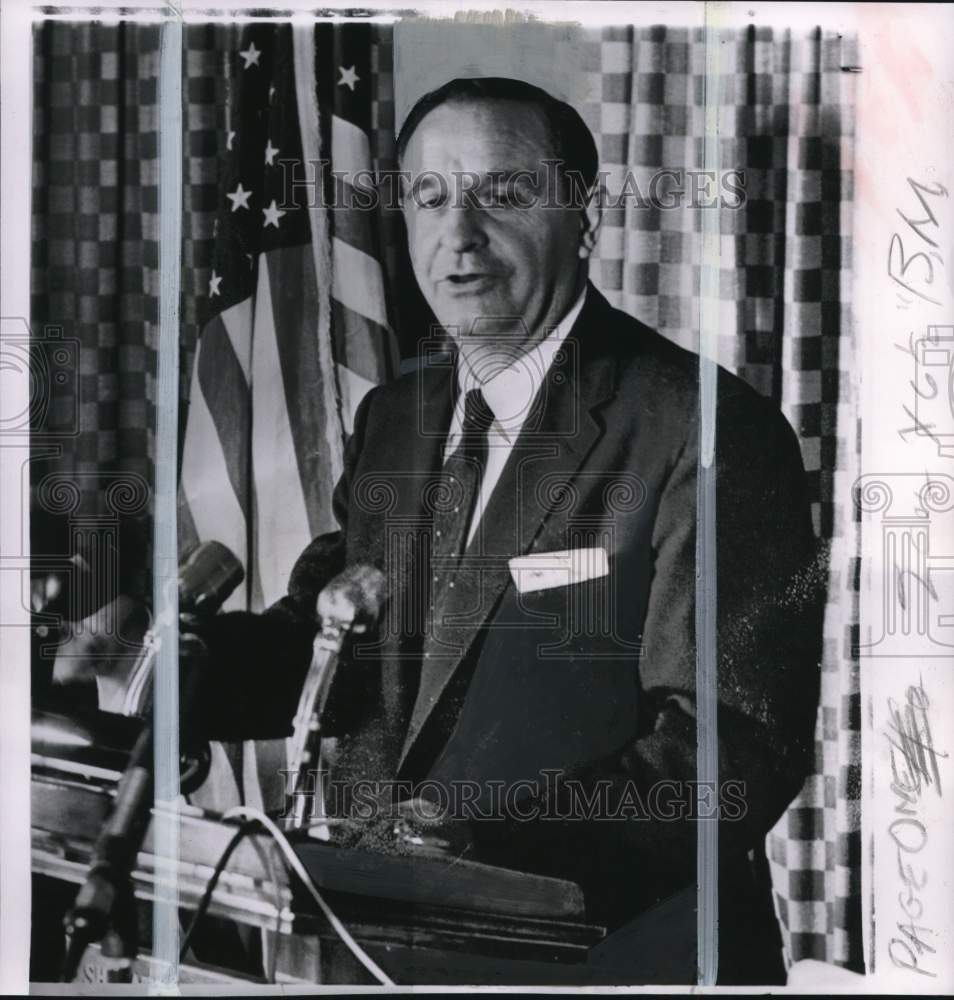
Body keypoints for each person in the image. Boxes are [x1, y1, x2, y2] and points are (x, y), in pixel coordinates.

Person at [201, 77, 824, 984]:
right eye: (430, 197)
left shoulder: (701, 429)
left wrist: (480, 853)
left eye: (503, 194)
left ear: (584, 215)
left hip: (612, 961)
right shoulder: (396, 417)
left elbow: (728, 750)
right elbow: (329, 648)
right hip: (383, 955)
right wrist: (174, 664)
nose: (460, 235)